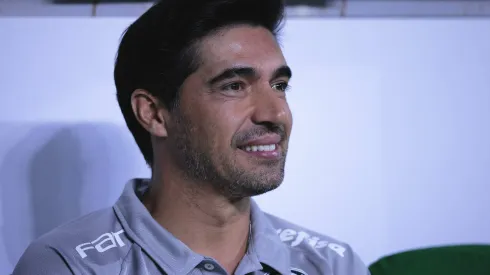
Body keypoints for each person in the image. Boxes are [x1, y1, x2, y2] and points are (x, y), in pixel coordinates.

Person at [13, 0, 370, 274]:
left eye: (279, 85)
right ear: (153, 113)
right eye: (234, 86)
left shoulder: (333, 264)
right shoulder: (68, 265)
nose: (275, 113)